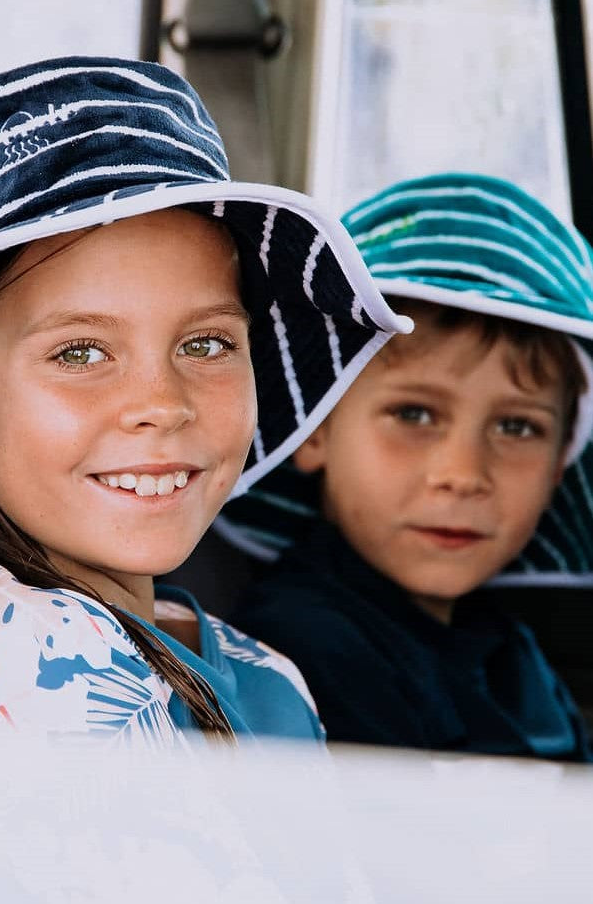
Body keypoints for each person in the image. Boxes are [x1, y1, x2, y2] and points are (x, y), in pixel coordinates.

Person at [0, 56, 408, 745]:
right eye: (80, 353)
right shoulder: (22, 663)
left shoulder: (262, 669)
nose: (161, 404)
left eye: (206, 344)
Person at [223, 172, 593, 760]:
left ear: (558, 465)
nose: (463, 474)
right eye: (414, 414)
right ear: (314, 429)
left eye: (518, 427)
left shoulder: (510, 652)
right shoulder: (305, 646)